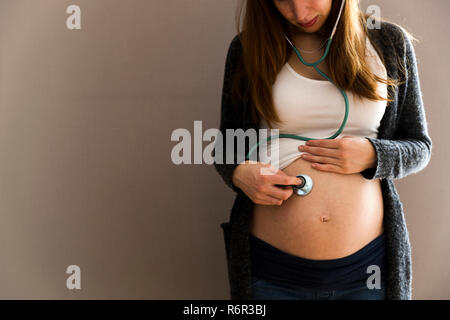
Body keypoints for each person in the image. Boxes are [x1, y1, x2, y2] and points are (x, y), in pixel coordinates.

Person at [214, 0, 432, 300]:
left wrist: (373, 154)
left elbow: (419, 145)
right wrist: (240, 174)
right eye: (283, 0)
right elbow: (227, 145)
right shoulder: (248, 48)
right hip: (272, 273)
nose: (299, 13)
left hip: (368, 272)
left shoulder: (388, 42)